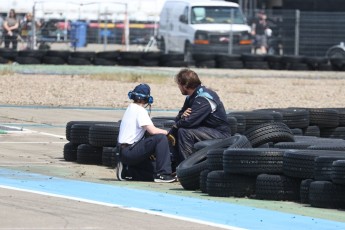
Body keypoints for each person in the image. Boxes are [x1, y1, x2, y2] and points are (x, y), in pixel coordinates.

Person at [169, 68, 231, 166]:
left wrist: (175, 126)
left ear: (184, 85)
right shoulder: (191, 97)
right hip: (203, 130)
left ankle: (187, 168)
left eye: (179, 84)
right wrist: (181, 116)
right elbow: (179, 117)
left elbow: (189, 122)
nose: (178, 87)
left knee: (184, 132)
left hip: (220, 134)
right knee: (177, 131)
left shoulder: (204, 97)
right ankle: (175, 166)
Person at [116, 83, 176, 183]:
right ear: (148, 99)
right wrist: (168, 132)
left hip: (123, 152)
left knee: (153, 169)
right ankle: (163, 174)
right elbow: (153, 131)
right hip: (130, 152)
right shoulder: (140, 111)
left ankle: (128, 171)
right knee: (161, 138)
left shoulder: (130, 108)